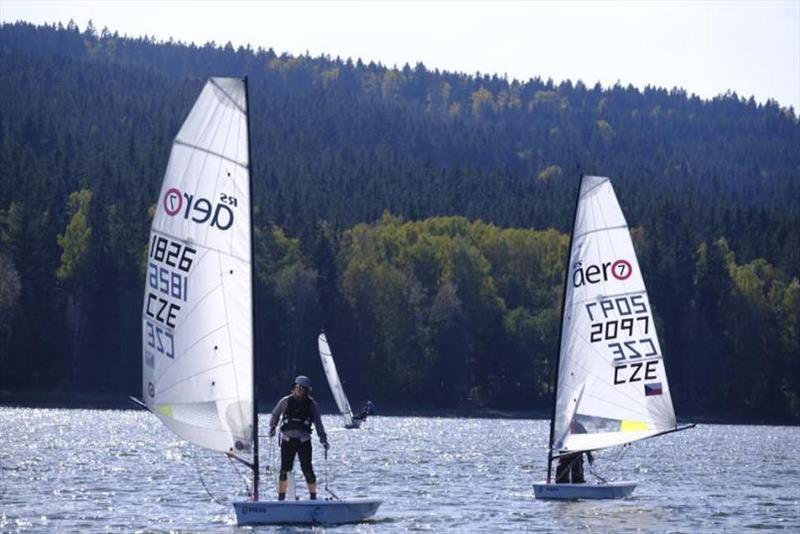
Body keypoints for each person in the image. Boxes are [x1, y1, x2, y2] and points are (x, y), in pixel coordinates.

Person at [269, 375, 329, 501]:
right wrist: (272, 427)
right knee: (285, 469)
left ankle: (313, 497)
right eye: (299, 388)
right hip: (287, 440)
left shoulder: (312, 404)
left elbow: (318, 423)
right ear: (295, 388)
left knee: (307, 470)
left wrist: (323, 439)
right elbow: (275, 414)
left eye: (304, 390)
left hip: (304, 442)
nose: (300, 391)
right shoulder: (285, 401)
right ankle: (281, 498)